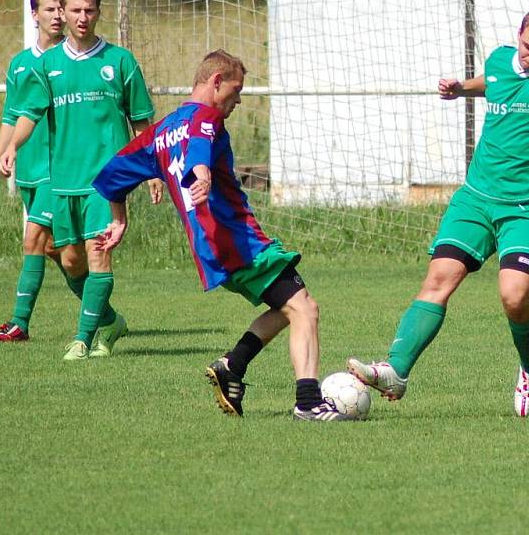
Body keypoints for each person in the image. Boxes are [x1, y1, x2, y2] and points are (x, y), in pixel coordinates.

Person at [347, 5, 529, 417]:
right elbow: (495, 82)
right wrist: (462, 88)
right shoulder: (499, 60)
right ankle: (396, 370)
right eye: (527, 47)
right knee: (439, 278)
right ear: (519, 36)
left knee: (515, 298)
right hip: (476, 199)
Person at [91, 49, 349, 421]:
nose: (238, 100)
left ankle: (233, 366)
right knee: (304, 308)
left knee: (289, 308)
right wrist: (202, 171)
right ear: (215, 82)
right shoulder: (206, 116)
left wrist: (119, 219)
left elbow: (113, 174)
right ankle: (308, 402)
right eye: (235, 90)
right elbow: (200, 139)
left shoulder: (160, 132)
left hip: (210, 248)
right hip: (235, 239)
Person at [0, 0, 161, 360]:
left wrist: (153, 170)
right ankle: (110, 321)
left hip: (107, 182)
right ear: (64, 13)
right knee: (70, 260)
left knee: (98, 251)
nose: (82, 18)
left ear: (98, 12)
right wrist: (12, 147)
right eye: (75, 11)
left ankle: (83, 339)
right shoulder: (48, 65)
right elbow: (29, 113)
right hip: (63, 180)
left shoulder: (120, 61)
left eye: (89, 10)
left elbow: (142, 123)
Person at [0, 0, 94, 343]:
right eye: (50, 9)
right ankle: (104, 312)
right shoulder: (19, 65)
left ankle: (19, 323)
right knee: (51, 249)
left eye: (62, 9)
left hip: (56, 170)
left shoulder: (70, 60)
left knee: (32, 240)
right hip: (28, 170)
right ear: (35, 15)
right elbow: (12, 117)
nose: (59, 16)